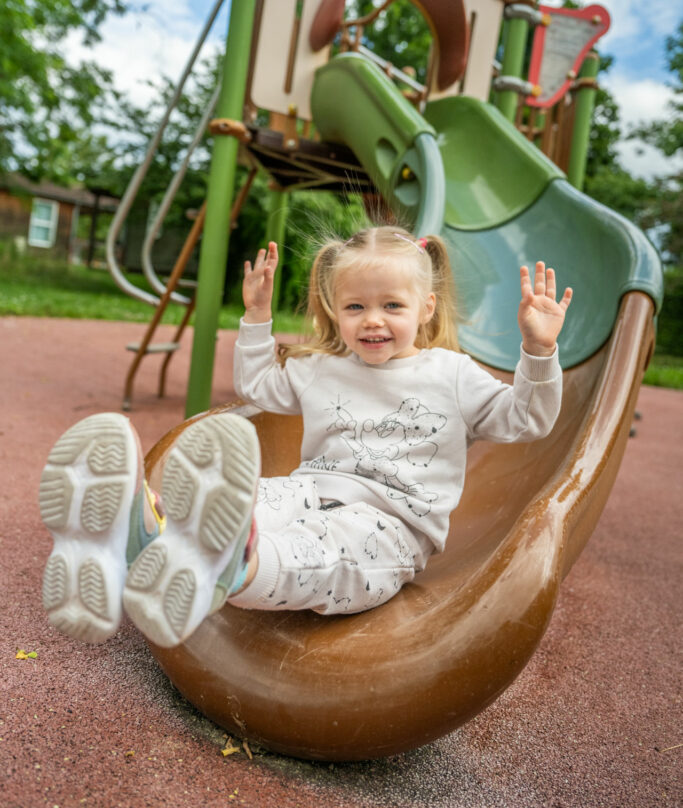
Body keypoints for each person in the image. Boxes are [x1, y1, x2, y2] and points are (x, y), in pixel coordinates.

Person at [39, 226, 572, 649]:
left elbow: (526, 420)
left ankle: (230, 566)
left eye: (392, 306)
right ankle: (136, 534)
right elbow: (257, 385)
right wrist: (255, 316)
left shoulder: (452, 374)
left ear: (426, 308)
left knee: (320, 554)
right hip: (306, 489)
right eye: (355, 307)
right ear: (334, 310)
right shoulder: (325, 367)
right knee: (254, 500)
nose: (373, 321)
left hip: (392, 525)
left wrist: (539, 352)